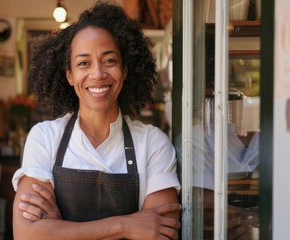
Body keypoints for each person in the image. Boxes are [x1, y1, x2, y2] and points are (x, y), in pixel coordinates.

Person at [12, 1, 181, 239]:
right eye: (83, 63)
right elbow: (27, 235)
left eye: (109, 60)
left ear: (124, 70)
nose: (98, 74)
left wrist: (58, 229)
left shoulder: (153, 144)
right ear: (69, 75)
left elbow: (161, 234)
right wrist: (126, 226)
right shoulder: (45, 138)